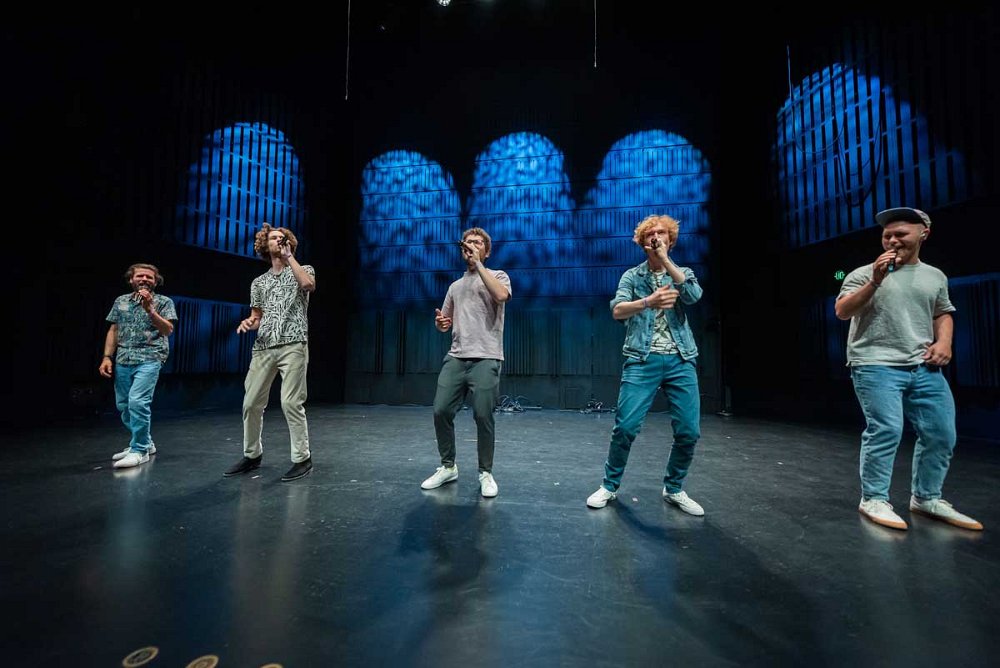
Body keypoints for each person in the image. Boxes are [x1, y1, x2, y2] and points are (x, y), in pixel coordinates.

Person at [835, 207, 982, 531]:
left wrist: (944, 343)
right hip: (875, 363)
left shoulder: (935, 276)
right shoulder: (863, 273)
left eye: (900, 234)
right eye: (887, 235)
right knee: (886, 429)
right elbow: (843, 311)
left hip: (923, 365)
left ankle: (926, 498)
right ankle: (873, 498)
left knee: (941, 433)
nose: (892, 240)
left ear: (923, 234)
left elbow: (942, 312)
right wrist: (875, 281)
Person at [586, 214, 705, 515]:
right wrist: (648, 301)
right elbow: (617, 311)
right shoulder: (632, 277)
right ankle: (609, 486)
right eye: (650, 233)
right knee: (625, 427)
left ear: (670, 239)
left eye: (662, 233)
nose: (656, 236)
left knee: (689, 431)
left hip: (680, 359)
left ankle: (674, 488)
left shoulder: (682, 272)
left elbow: (693, 295)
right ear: (642, 242)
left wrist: (666, 262)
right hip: (642, 358)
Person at [420, 227, 512, 498]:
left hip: (486, 356)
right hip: (457, 356)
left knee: (483, 415)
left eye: (477, 243)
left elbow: (501, 296)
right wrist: (441, 324)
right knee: (440, 410)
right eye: (467, 243)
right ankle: (448, 466)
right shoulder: (455, 286)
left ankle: (486, 472)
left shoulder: (498, 276)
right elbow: (445, 322)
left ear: (487, 251)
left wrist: (479, 264)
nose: (470, 246)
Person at [224, 223, 316, 482]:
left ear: (290, 244)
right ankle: (252, 455)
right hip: (263, 346)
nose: (279, 240)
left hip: (293, 344)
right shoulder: (259, 282)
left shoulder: (303, 269)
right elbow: (257, 316)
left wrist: (290, 258)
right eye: (274, 238)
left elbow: (308, 285)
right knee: (251, 403)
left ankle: (302, 458)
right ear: (265, 244)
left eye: (283, 238)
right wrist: (249, 322)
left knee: (290, 402)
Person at [99, 263, 177, 469]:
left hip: (150, 357)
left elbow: (168, 330)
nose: (144, 279)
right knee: (124, 405)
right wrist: (107, 357)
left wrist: (150, 310)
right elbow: (114, 330)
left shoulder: (164, 302)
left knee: (138, 402)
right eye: (140, 276)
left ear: (156, 282)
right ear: (131, 279)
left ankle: (139, 450)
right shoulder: (121, 301)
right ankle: (145, 442)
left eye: (149, 277)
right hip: (123, 358)